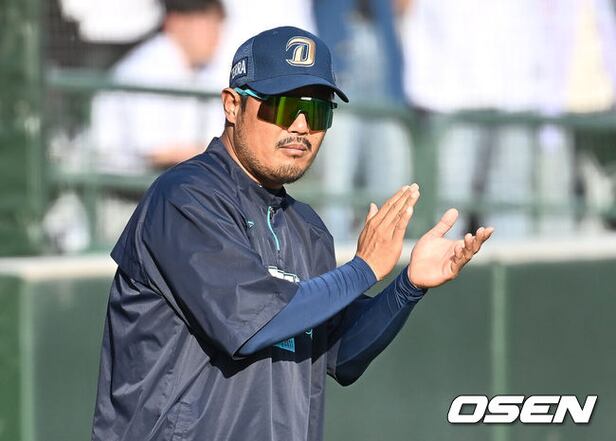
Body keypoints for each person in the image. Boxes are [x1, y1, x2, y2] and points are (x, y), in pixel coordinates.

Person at [91, 26, 493, 441]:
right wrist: (363, 269)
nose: (301, 127)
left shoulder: (307, 229)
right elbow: (252, 323)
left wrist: (407, 286)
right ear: (232, 105)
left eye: (316, 111)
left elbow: (340, 355)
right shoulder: (185, 198)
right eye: (283, 106)